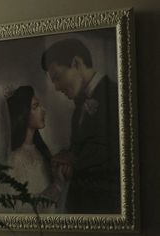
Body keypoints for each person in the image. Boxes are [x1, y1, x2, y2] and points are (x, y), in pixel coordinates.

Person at [41, 38, 121, 213]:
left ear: (76, 63)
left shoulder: (116, 96)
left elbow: (116, 157)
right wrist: (67, 157)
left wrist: (73, 162)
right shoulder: (79, 106)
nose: (55, 87)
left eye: (57, 77)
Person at [6, 85, 65, 213]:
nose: (43, 110)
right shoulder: (14, 159)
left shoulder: (41, 151)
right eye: (35, 106)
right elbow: (25, 207)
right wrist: (58, 186)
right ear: (23, 113)